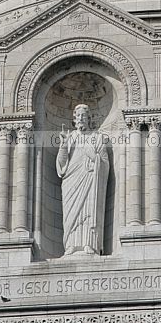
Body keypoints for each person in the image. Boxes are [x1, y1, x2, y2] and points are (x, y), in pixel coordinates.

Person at [56, 102, 109, 255]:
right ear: (74, 118)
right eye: (78, 116)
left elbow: (104, 164)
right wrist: (63, 145)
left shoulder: (97, 138)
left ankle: (89, 244)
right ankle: (71, 244)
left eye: (84, 116)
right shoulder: (70, 137)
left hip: (90, 178)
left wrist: (93, 156)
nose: (80, 118)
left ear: (89, 118)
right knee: (71, 212)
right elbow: (61, 164)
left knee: (89, 209)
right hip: (71, 180)